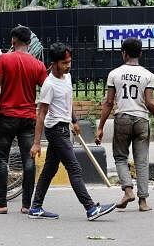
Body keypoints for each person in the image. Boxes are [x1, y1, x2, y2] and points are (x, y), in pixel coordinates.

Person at [29, 42, 115, 221]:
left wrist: (74, 120)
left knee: (49, 170)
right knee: (74, 167)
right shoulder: (49, 85)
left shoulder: (67, 78)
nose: (68, 65)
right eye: (64, 63)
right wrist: (37, 143)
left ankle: (35, 207)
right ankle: (91, 208)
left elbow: (68, 102)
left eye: (69, 61)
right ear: (54, 63)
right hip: (56, 130)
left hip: (64, 126)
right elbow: (41, 114)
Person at [95, 38, 154, 212]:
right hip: (141, 120)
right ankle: (143, 202)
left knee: (121, 157)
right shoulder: (148, 75)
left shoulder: (114, 74)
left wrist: (100, 127)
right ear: (140, 53)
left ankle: (128, 190)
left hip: (122, 119)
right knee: (142, 160)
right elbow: (149, 103)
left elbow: (108, 103)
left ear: (124, 53)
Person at [0, 26, 46, 215]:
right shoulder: (37, 64)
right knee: (28, 160)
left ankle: (1, 204)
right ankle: (26, 205)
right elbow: (47, 90)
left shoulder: (4, 59)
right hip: (28, 118)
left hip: (7, 116)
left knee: (1, 158)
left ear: (13, 41)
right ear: (29, 43)